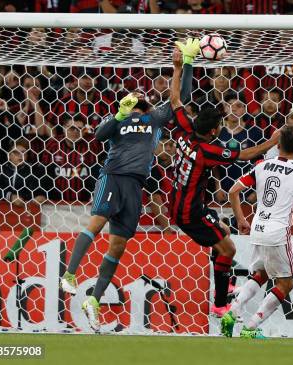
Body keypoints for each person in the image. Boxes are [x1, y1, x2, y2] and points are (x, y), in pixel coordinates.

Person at [59, 40, 195, 331]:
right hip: (114, 176)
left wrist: (183, 66)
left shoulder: (154, 119)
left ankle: (93, 300)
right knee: (95, 225)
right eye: (131, 95)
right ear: (124, 102)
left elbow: (180, 97)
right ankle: (69, 274)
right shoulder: (117, 120)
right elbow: (98, 135)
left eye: (140, 94)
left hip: (136, 185)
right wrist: (119, 114)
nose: (137, 96)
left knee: (118, 246)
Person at [169, 63, 281, 319]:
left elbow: (175, 99)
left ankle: (225, 279)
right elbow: (245, 154)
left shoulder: (186, 129)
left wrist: (177, 68)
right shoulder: (207, 152)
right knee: (228, 249)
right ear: (213, 131)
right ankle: (220, 305)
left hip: (182, 203)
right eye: (218, 126)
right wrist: (273, 141)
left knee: (223, 233)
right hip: (189, 214)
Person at [220, 126, 293, 339]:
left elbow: (233, 191)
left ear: (278, 144)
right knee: (286, 283)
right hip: (278, 233)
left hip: (258, 228)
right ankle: (251, 328)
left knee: (262, 274)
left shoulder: (261, 165)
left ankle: (233, 311)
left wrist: (240, 219)